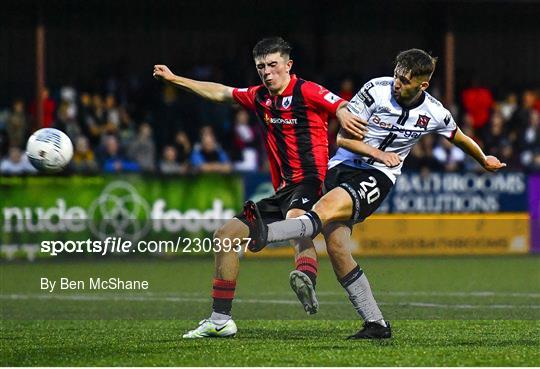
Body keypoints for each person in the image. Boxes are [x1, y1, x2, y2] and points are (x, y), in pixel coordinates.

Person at [243, 49, 506, 339]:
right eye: (396, 75)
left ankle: (266, 233)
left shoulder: (433, 112)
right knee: (337, 247)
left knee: (325, 209)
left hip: (378, 176)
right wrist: (377, 152)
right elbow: (342, 137)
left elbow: (458, 136)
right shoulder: (374, 91)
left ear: (423, 85)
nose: (396, 83)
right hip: (342, 166)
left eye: (404, 80)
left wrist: (483, 159)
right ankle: (376, 324)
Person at [153, 37, 366, 338]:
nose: (267, 73)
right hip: (281, 190)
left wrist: (344, 112)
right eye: (261, 67)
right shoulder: (259, 97)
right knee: (225, 236)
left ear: (289, 65)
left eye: (273, 65)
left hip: (312, 181)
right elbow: (220, 92)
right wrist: (175, 79)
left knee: (296, 221)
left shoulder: (306, 90)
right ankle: (219, 320)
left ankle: (305, 277)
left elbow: (339, 104)